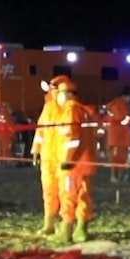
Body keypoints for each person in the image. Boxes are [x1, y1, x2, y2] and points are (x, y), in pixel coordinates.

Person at [44, 76, 98, 244]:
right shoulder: (83, 110)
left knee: (68, 195)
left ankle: (66, 229)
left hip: (72, 163)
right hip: (86, 161)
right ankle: (81, 229)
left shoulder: (70, 109)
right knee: (83, 195)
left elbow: (71, 136)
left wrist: (66, 159)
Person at [28, 83, 61, 235]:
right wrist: (36, 151)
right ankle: (49, 224)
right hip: (48, 158)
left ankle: (65, 223)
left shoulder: (70, 109)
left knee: (66, 193)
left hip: (63, 158)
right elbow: (40, 131)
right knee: (48, 190)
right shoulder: (47, 109)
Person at [102, 86, 130, 182]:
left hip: (119, 136)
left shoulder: (117, 105)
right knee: (117, 158)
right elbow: (122, 119)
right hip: (119, 136)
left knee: (119, 158)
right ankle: (116, 176)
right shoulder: (119, 105)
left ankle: (120, 176)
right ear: (125, 96)